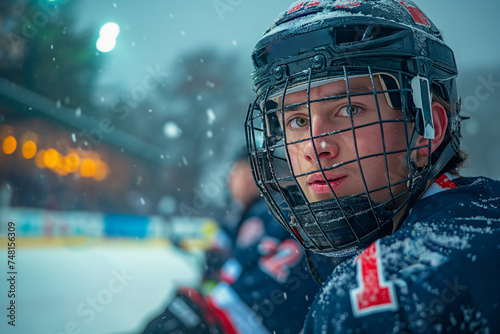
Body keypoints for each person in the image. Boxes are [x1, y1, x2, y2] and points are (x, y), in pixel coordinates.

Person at [245, 0, 500, 332]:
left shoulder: (367, 295)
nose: (314, 146)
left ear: (427, 130)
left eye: (349, 109)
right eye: (296, 120)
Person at [142, 147, 321, 334]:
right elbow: (223, 245)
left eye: (249, 173)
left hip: (242, 319)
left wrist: (214, 277)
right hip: (250, 316)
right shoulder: (246, 214)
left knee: (177, 315)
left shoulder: (263, 214)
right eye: (237, 171)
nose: (240, 180)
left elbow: (235, 267)